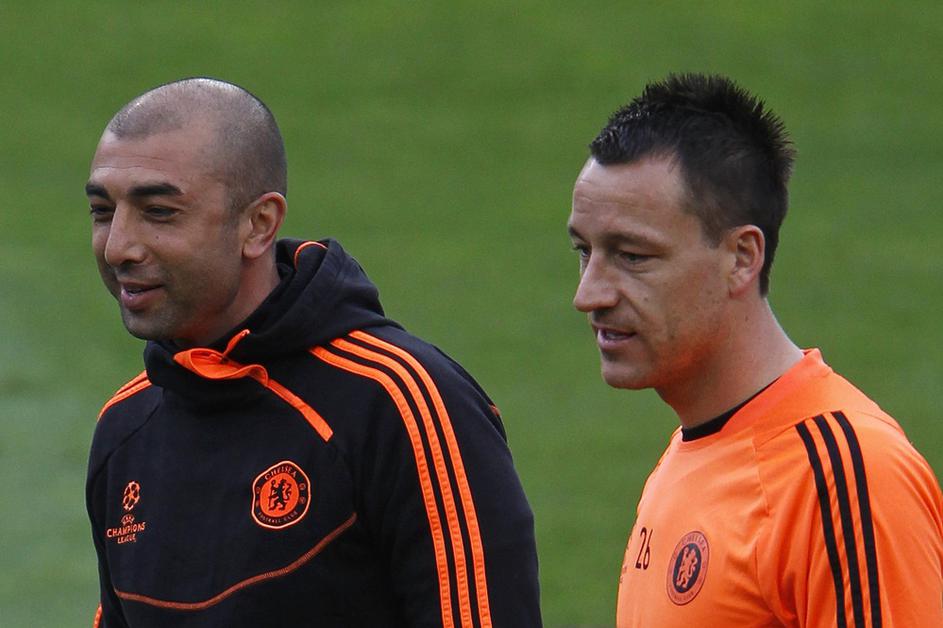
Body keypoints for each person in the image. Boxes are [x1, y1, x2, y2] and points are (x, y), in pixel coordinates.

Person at [85, 77, 541, 627]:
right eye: (103, 212)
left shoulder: (402, 402)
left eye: (159, 211)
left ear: (258, 225)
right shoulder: (125, 427)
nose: (118, 247)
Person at [567, 73, 943, 627]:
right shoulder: (688, 456)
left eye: (632, 256)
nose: (589, 294)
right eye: (585, 251)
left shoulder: (844, 477)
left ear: (742, 257)